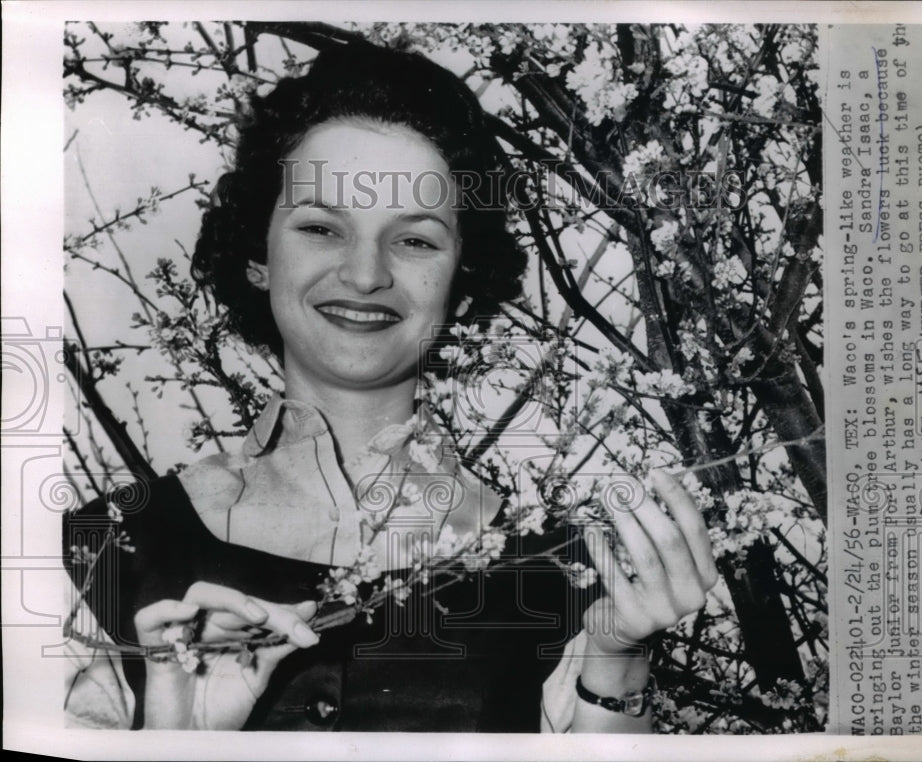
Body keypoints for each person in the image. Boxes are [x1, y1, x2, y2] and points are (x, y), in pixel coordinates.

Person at [63, 36, 718, 733]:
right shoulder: (99, 551)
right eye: (321, 228)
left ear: (463, 284)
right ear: (258, 254)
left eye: (415, 240)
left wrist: (618, 661)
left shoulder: (565, 577)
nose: (366, 274)